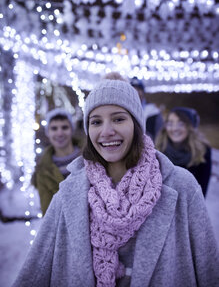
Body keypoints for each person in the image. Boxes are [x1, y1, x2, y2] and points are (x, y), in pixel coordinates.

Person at [13, 79, 219, 287]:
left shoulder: (182, 187)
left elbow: (210, 270)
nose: (106, 131)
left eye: (118, 119)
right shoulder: (69, 193)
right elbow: (33, 273)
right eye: (96, 122)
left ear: (137, 125)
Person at [32, 108, 81, 215]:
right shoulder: (43, 170)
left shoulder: (89, 158)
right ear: (48, 133)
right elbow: (48, 212)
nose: (59, 133)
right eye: (54, 128)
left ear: (71, 130)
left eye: (64, 127)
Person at [155, 106, 212, 197]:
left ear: (191, 127)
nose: (174, 128)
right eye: (170, 124)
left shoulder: (202, 151)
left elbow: (201, 191)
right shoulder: (158, 149)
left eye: (181, 124)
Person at [130, 77, 163, 141]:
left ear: (143, 92)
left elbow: (159, 133)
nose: (136, 93)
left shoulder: (153, 111)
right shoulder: (124, 110)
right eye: (133, 90)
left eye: (139, 90)